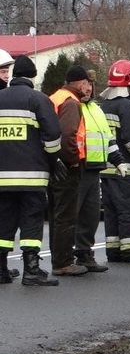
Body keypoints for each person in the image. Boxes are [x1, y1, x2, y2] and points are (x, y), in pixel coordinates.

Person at [0, 55, 61, 286]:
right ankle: (32, 271)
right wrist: (52, 160)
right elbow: (53, 136)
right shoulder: (38, 100)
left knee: (3, 222)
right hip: (32, 177)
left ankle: (1, 270)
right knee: (31, 221)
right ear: (33, 76)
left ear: (14, 76)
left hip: (1, 178)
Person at [76, 70, 127, 272]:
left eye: (90, 85)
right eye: (84, 85)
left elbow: (108, 139)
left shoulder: (96, 109)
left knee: (90, 215)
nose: (88, 89)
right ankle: (65, 257)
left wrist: (119, 161)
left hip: (94, 169)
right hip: (77, 168)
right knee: (72, 215)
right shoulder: (73, 107)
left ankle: (85, 254)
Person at [99, 59, 130, 262]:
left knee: (111, 211)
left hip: (106, 169)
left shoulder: (104, 105)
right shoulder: (126, 106)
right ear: (129, 81)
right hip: (125, 170)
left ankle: (114, 250)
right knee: (129, 209)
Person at [49, 65, 94, 276]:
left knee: (58, 215)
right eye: (87, 82)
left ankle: (59, 258)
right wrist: (74, 160)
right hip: (68, 167)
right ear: (80, 82)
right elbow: (68, 135)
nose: (88, 87)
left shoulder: (56, 97)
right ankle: (63, 262)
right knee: (66, 216)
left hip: (55, 164)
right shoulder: (71, 103)